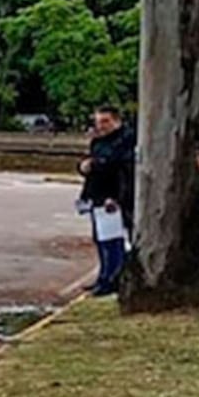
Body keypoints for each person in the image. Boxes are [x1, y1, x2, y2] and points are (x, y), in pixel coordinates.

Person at [77, 106, 137, 297]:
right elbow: (93, 162)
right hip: (97, 195)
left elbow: (120, 167)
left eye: (105, 121)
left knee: (113, 241)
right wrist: (84, 166)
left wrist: (118, 197)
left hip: (114, 197)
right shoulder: (98, 141)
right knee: (101, 239)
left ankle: (113, 279)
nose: (101, 126)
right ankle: (104, 277)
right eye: (98, 122)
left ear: (117, 121)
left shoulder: (125, 140)